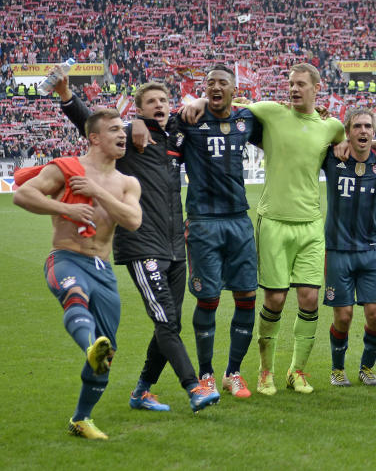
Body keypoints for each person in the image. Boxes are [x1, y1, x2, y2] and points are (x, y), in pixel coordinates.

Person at [181, 62, 376, 395]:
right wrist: (199, 102)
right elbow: (225, 107)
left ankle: (298, 371)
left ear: (316, 88)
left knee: (309, 299)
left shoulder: (331, 127)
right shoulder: (269, 112)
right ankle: (267, 372)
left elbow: (359, 138)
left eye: (301, 85)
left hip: (310, 223)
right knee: (276, 299)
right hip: (274, 221)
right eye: (290, 83)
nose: (293, 89)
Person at [53, 72, 219, 412]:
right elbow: (90, 123)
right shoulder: (126, 137)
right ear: (139, 110)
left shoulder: (176, 135)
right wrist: (69, 95)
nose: (159, 106)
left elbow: (204, 109)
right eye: (151, 102)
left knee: (169, 323)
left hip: (175, 245)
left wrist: (200, 100)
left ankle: (142, 390)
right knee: (165, 322)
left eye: (163, 101)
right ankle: (193, 387)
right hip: (142, 244)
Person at [13, 109, 142, 439]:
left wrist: (98, 192)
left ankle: (81, 419)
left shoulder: (127, 182)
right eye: (114, 129)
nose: (123, 134)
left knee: (107, 353)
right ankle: (89, 344)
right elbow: (23, 194)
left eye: (123, 129)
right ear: (94, 138)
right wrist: (66, 208)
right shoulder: (66, 168)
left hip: (104, 270)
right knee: (75, 296)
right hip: (67, 258)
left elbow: (133, 220)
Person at [170, 64, 262, 398]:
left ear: (235, 89)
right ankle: (206, 374)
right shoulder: (189, 119)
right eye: (209, 83)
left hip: (239, 219)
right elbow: (159, 132)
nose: (216, 87)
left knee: (247, 296)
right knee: (208, 299)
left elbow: (286, 119)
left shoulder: (247, 120)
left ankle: (232, 373)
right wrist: (191, 101)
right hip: (203, 221)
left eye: (223, 82)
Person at [321, 108, 376, 386]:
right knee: (344, 315)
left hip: (372, 250)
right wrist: (336, 141)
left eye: (368, 127)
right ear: (347, 132)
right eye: (357, 127)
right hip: (338, 250)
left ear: (374, 131)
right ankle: (338, 369)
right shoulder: (332, 157)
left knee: (375, 315)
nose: (363, 131)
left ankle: (367, 368)